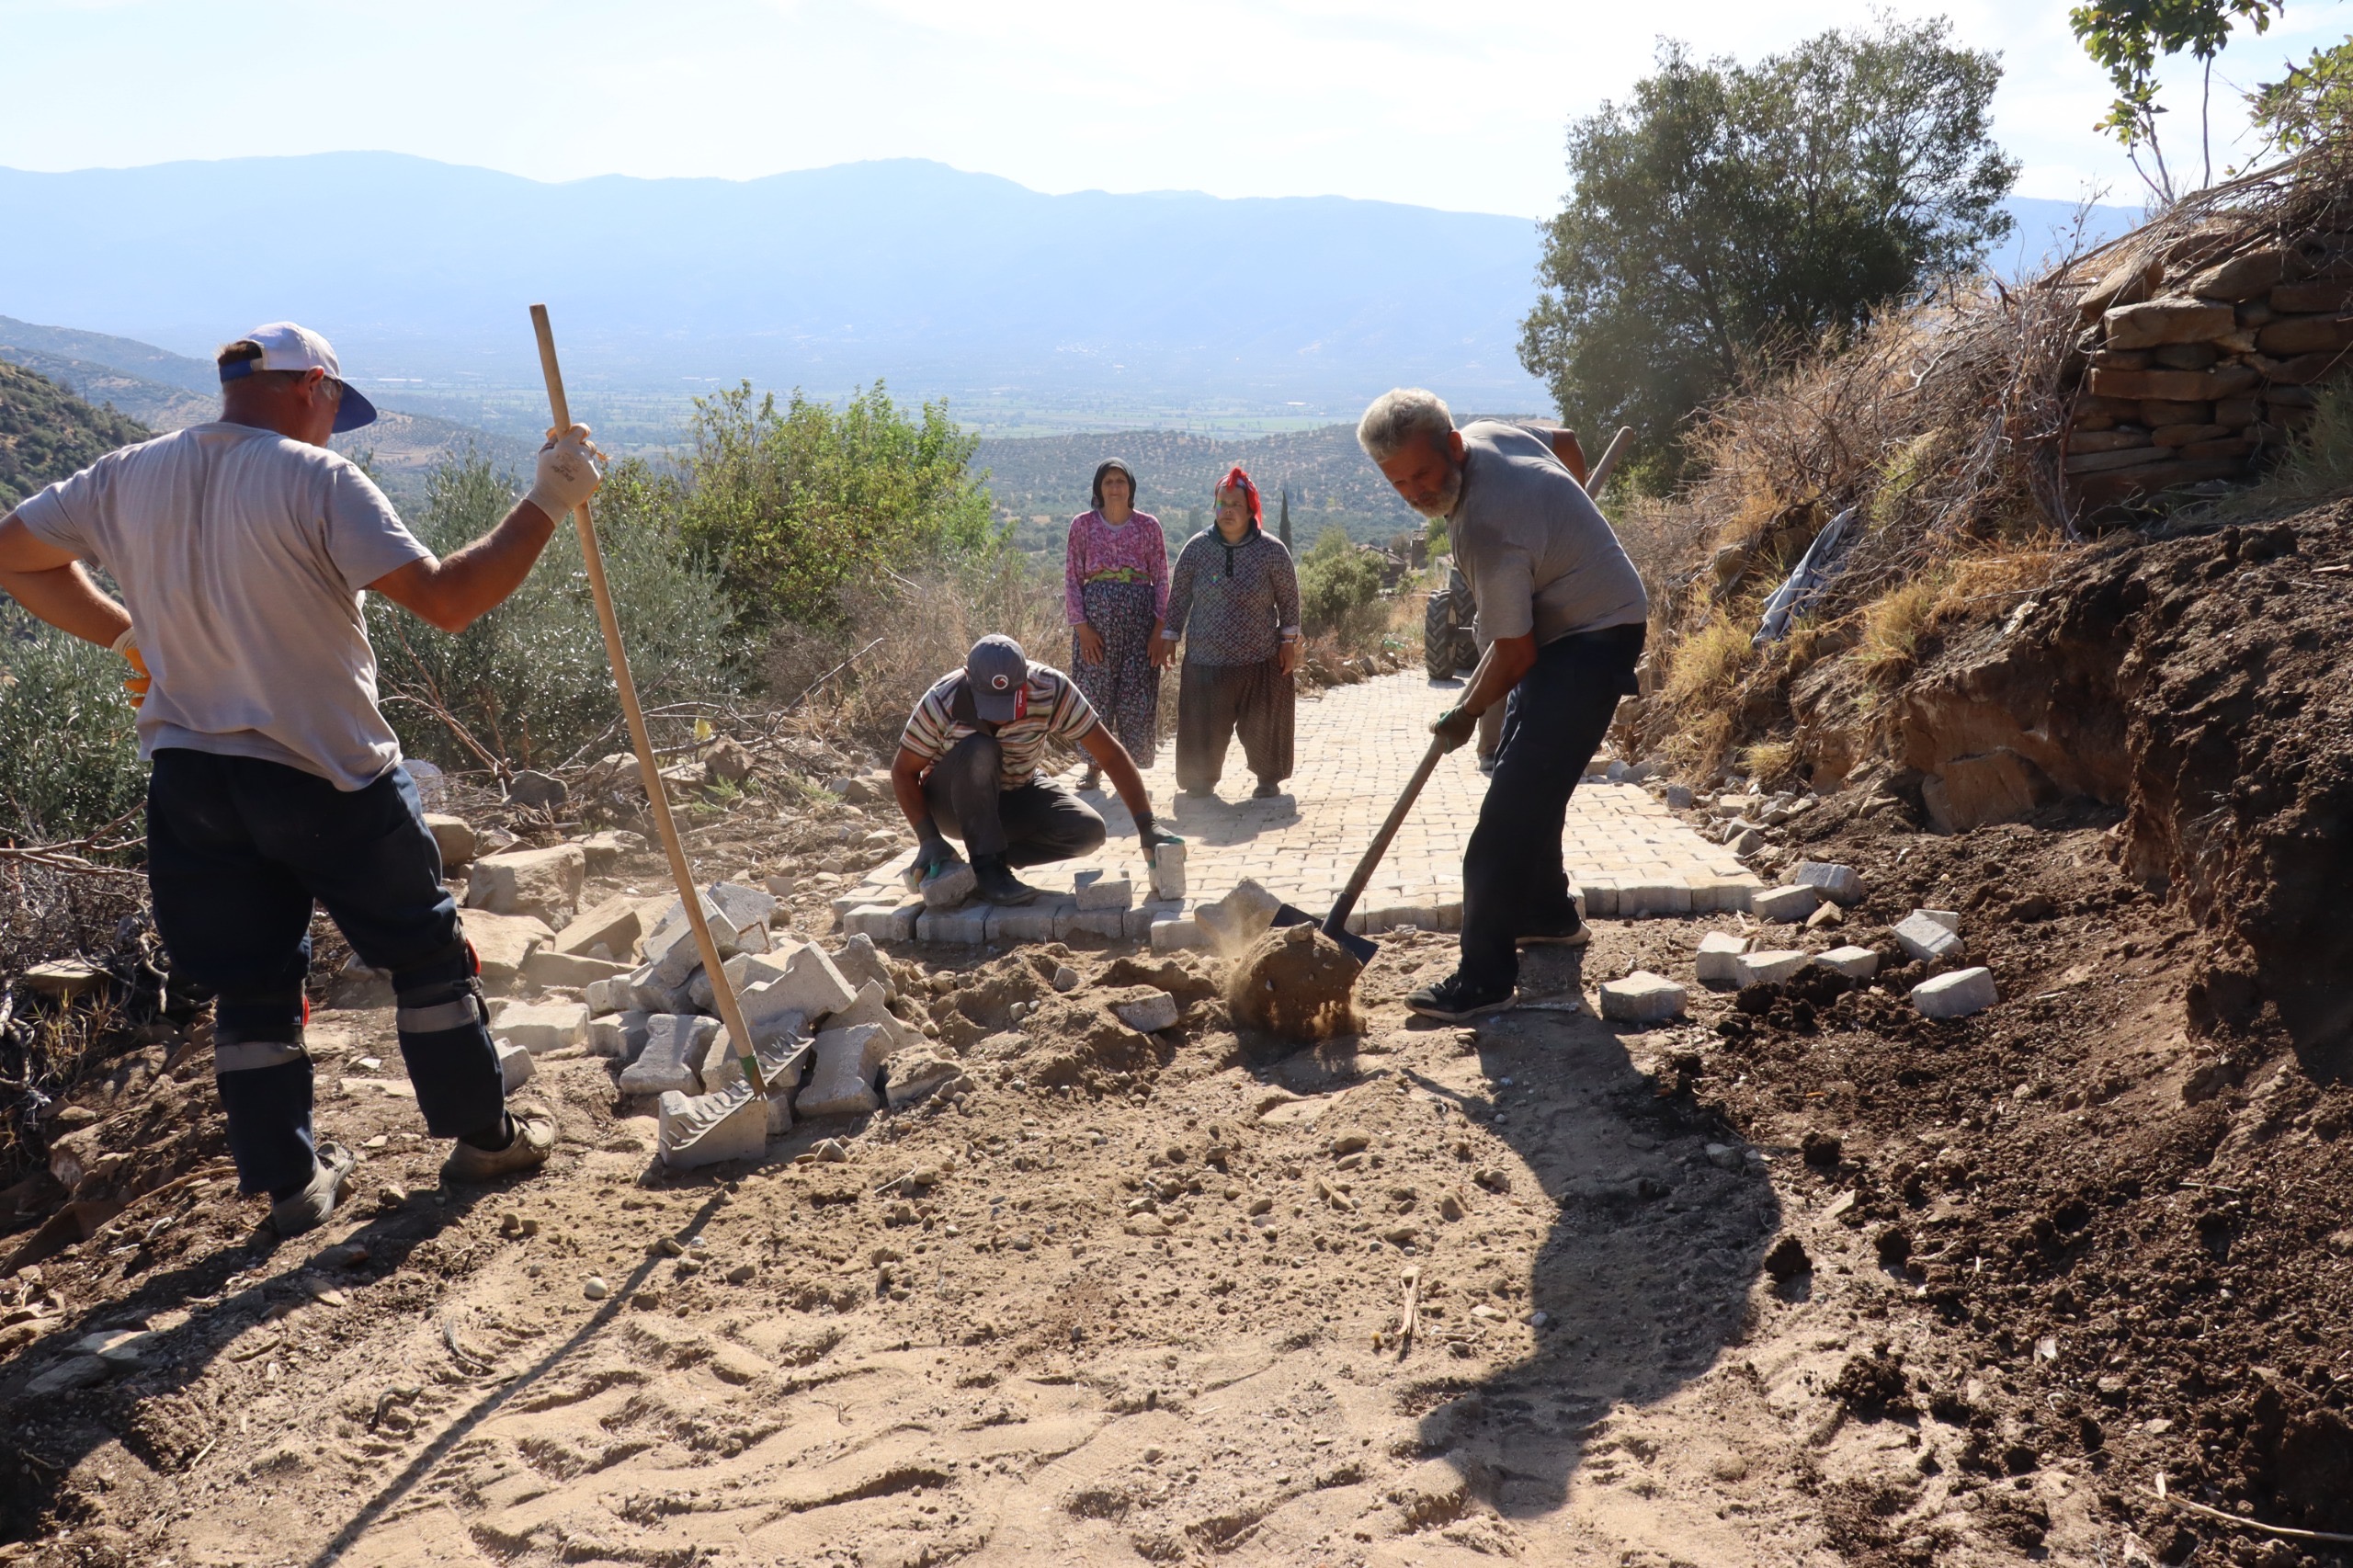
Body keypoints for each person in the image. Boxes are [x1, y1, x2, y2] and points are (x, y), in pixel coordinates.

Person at [0, 322, 606, 1234]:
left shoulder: (126, 471)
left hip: (192, 779)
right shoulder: (315, 478)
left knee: (251, 986)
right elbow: (449, 600)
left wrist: (126, 633)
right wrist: (547, 502)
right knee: (427, 958)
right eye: (334, 406)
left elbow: (15, 550)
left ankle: (291, 1184)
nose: (334, 425)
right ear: (313, 387)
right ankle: (485, 1137)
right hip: (327, 772)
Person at [1356, 389, 1648, 1022]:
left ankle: (1484, 979)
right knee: (1527, 779)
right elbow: (1566, 444)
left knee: (1500, 827)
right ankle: (1547, 915)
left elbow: (1511, 657)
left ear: (1454, 446)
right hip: (1565, 627)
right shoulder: (1493, 433)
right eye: (1399, 482)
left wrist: (1462, 714)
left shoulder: (1485, 531)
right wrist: (1558, 527)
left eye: (1425, 474)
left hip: (1595, 636)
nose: (1415, 493)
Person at [892, 634, 1179, 906]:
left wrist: (1147, 825)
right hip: (952, 804)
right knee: (980, 749)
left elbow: (1110, 755)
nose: (1000, 719)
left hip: (1017, 789)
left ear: (1025, 680)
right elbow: (903, 771)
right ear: (968, 677)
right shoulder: (941, 701)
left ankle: (993, 858)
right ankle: (988, 871)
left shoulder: (1050, 689)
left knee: (1087, 831)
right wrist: (929, 839)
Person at [1154, 466, 1302, 801]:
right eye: (1222, 503)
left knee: (1264, 725)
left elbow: (1289, 601)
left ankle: (1268, 779)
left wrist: (1288, 643)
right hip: (1207, 661)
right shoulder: (1196, 549)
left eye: (1236, 504)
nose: (1228, 510)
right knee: (1203, 727)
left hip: (1260, 660)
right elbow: (1178, 599)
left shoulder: (1272, 551)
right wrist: (1170, 637)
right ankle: (1199, 781)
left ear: (1251, 509)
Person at [1063, 459, 1168, 791]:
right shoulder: (1081, 526)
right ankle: (1093, 768)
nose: (1114, 487)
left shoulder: (1149, 527)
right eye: (1108, 481)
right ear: (1099, 488)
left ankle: (1130, 771)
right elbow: (1071, 580)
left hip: (1140, 628)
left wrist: (1159, 631)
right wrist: (1082, 629)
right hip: (1095, 628)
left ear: (1131, 488)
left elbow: (1163, 580)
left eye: (1120, 481)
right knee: (1094, 696)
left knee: (1135, 697)